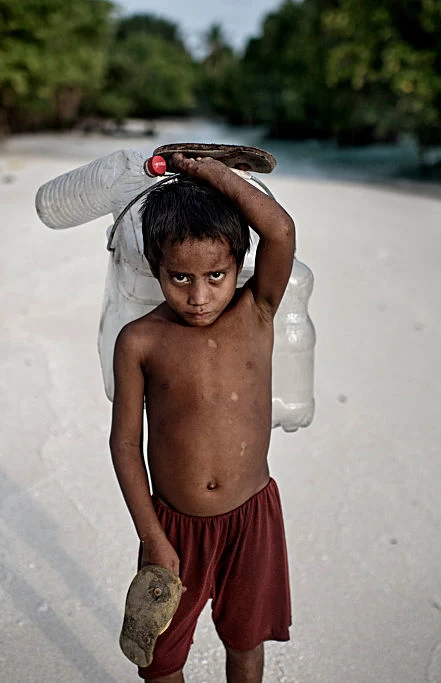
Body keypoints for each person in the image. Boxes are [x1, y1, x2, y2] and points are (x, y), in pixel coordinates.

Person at [110, 153, 296, 682]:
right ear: (155, 269)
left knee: (245, 641)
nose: (199, 296)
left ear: (239, 264)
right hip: (174, 525)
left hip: (251, 517)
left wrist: (204, 170)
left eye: (216, 275)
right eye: (180, 278)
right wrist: (151, 534)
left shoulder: (256, 311)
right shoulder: (141, 341)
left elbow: (279, 230)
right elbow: (125, 445)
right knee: (162, 659)